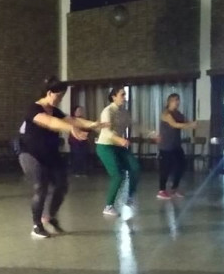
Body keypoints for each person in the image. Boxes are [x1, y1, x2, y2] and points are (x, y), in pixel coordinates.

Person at [19, 77, 104, 238]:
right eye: (58, 96)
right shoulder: (34, 108)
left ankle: (49, 218)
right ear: (49, 93)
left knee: (61, 185)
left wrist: (92, 124)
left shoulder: (55, 110)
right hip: (31, 154)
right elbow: (50, 122)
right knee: (41, 187)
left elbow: (72, 119)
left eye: (62, 96)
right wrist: (70, 129)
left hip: (50, 154)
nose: (60, 99)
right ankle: (37, 226)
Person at [96, 87, 140, 217]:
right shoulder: (107, 111)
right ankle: (108, 206)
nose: (124, 97)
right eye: (122, 95)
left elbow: (135, 124)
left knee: (135, 168)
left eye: (125, 95)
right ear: (113, 97)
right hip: (105, 146)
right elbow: (106, 132)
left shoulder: (124, 112)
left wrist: (152, 133)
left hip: (118, 145)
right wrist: (119, 139)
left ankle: (130, 197)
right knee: (117, 175)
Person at [157, 93, 198, 200]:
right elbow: (174, 124)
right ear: (169, 102)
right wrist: (190, 125)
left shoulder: (178, 113)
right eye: (175, 100)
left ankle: (174, 189)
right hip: (166, 146)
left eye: (178, 100)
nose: (177, 102)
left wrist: (193, 123)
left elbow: (185, 121)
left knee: (182, 165)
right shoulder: (166, 114)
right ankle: (161, 190)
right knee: (166, 168)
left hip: (176, 145)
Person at [69, 106, 90, 176]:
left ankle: (83, 171)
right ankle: (76, 171)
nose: (80, 112)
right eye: (78, 111)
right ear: (74, 112)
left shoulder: (84, 120)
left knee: (84, 156)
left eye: (81, 110)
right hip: (75, 142)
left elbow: (88, 129)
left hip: (84, 141)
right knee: (76, 156)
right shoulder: (72, 120)